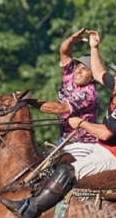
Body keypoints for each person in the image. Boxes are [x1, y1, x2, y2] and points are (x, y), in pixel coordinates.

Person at [1, 30, 116, 218]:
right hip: (102, 147)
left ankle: (30, 209)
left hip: (114, 156)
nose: (115, 77)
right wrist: (94, 47)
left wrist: (81, 123)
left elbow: (105, 132)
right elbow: (100, 72)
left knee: (66, 171)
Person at [25, 27, 99, 159]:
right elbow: (63, 52)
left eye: (85, 69)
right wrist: (71, 40)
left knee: (65, 176)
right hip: (63, 140)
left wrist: (29, 100)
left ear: (93, 76)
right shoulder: (70, 74)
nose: (78, 71)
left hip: (82, 145)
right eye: (78, 66)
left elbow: (60, 108)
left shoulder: (89, 93)